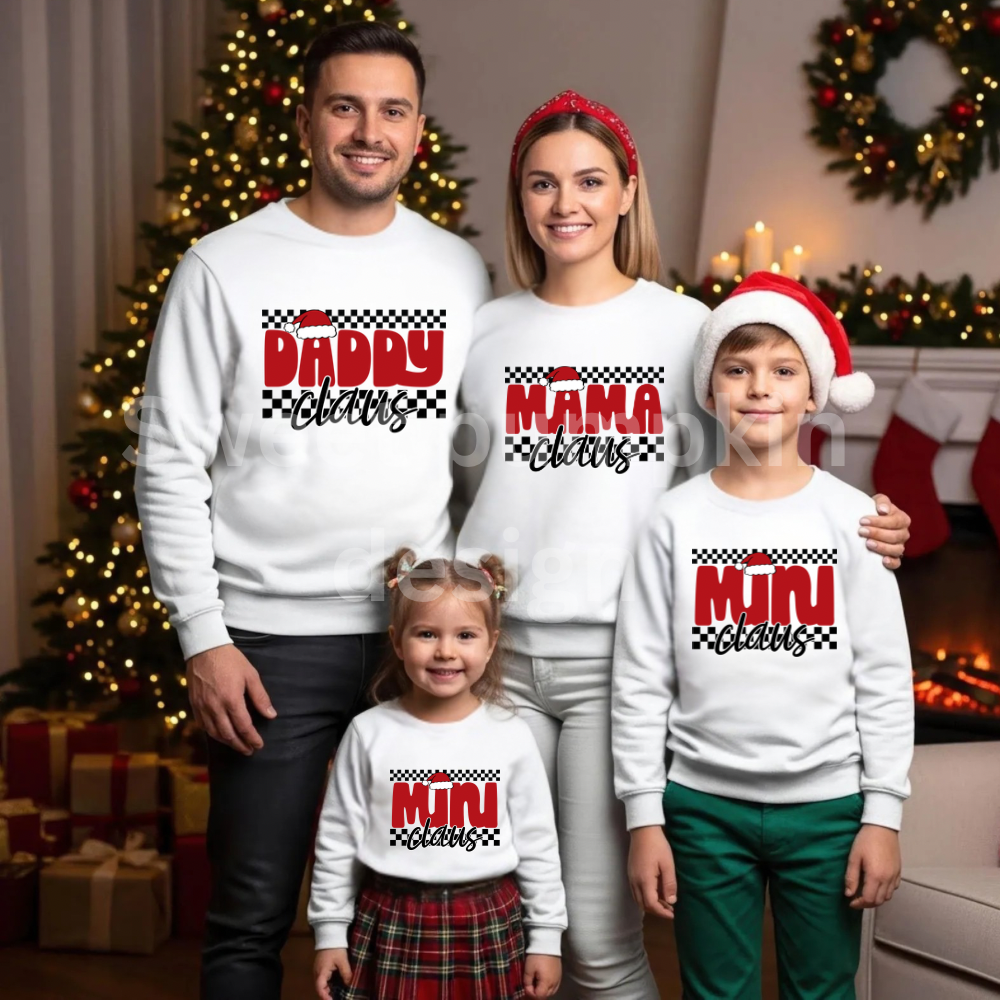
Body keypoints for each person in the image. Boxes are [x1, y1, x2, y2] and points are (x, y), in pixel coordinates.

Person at [455, 91, 912, 999]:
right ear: (520, 198)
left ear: (628, 193)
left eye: (589, 181)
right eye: (540, 184)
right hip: (490, 659)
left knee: (592, 933)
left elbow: (747, 478)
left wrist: (864, 523)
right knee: (492, 910)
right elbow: (455, 486)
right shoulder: (483, 331)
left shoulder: (684, 330)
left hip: (613, 659)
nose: (564, 203)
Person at [134, 22, 491, 1000]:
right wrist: (204, 638)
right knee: (250, 917)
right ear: (304, 121)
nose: (367, 130)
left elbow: (487, 458)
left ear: (418, 130)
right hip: (264, 646)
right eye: (344, 106)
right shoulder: (223, 266)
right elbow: (167, 459)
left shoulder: (459, 272)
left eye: (390, 109)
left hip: (416, 636)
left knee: (417, 911)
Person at [612, 272, 916, 1000]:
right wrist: (643, 814)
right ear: (710, 388)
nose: (759, 387)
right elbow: (640, 678)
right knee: (717, 990)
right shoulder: (673, 521)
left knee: (823, 988)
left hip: (829, 811)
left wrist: (884, 813)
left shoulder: (854, 521)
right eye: (738, 369)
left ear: (814, 395)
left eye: (784, 371)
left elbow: (882, 674)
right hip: (701, 810)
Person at [310, 548, 566, 1000]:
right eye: (426, 633)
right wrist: (329, 931)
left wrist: (546, 938)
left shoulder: (510, 735)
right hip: (391, 919)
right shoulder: (368, 732)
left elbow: (537, 844)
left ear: (490, 643)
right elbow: (338, 839)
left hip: (486, 921)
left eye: (465, 635)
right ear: (396, 640)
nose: (446, 651)